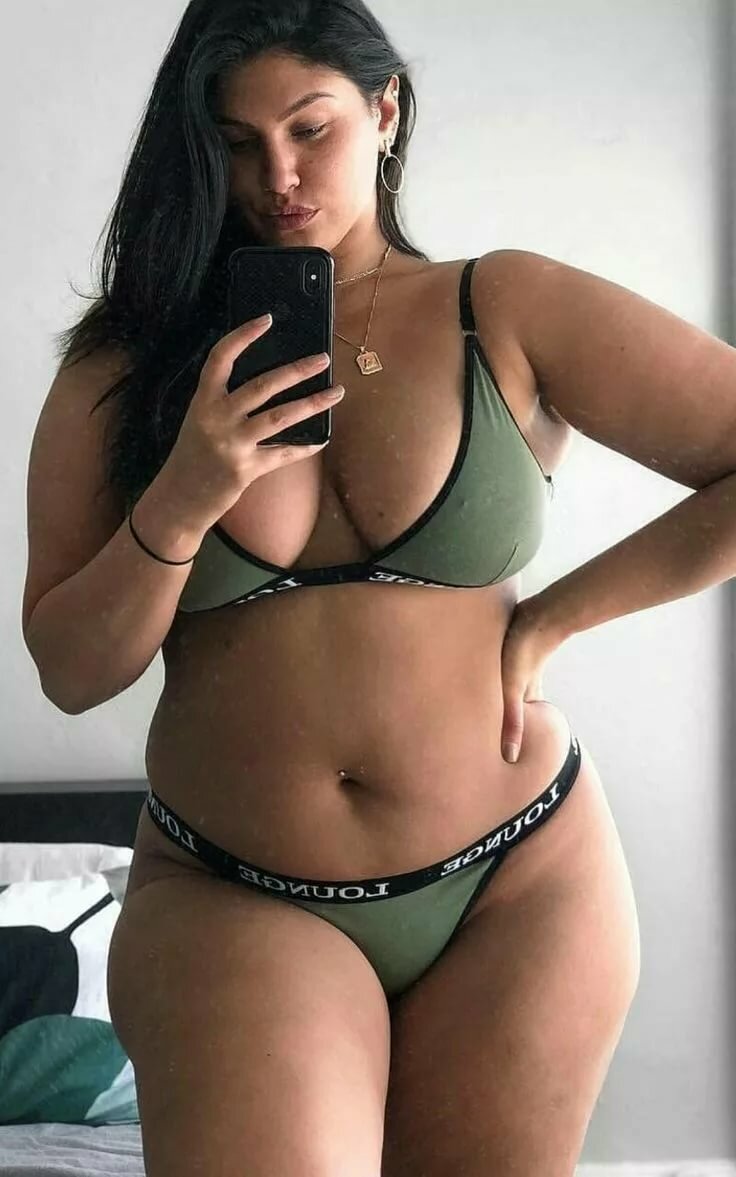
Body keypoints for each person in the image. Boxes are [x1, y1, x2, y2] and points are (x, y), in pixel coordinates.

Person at [23, 1, 736, 1174]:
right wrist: (185, 496)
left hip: (517, 878)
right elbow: (69, 670)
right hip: (236, 889)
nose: (279, 177)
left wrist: (552, 619)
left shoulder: (502, 306)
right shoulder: (129, 360)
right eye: (237, 143)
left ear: (385, 109)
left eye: (311, 129)